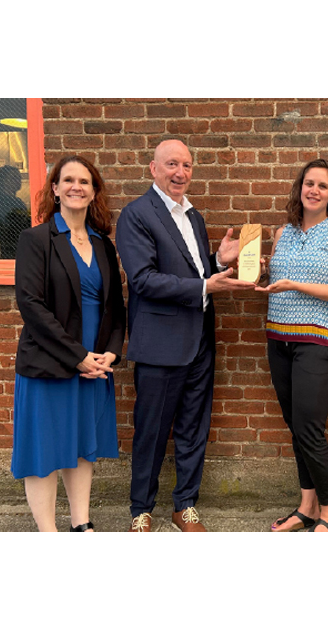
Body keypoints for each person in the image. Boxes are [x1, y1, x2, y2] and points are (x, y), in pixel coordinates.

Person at [115, 139, 256, 532]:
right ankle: (140, 510)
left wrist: (218, 262)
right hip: (160, 345)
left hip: (199, 341)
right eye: (172, 164)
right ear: (153, 168)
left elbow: (193, 273)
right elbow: (143, 280)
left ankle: (185, 506)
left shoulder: (193, 217)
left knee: (194, 429)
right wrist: (207, 285)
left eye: (187, 165)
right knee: (152, 431)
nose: (181, 173)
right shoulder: (137, 215)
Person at [10, 155, 125, 532]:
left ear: (94, 192)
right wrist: (78, 357)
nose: (77, 186)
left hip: (95, 366)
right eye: (69, 180)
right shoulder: (36, 240)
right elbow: (31, 305)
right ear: (55, 189)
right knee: (44, 451)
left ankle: (81, 524)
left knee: (82, 445)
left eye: (85, 181)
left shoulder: (103, 245)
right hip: (50, 363)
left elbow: (115, 307)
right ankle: (49, 533)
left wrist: (110, 353)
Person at [257, 159, 328, 533]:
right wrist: (262, 270)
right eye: (309, 183)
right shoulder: (282, 233)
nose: (314, 190)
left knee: (309, 429)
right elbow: (277, 280)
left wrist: (294, 285)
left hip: (318, 341)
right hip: (279, 339)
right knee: (295, 427)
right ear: (300, 188)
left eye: (322, 186)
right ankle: (306, 507)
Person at [0, 165, 32, 259]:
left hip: (19, 246)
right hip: (3, 247)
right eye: (13, 178)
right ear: (3, 181)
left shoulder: (18, 202)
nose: (18, 181)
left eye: (19, 178)